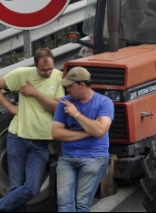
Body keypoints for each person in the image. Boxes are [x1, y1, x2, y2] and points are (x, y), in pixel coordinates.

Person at [0, 49, 63, 213]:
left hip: (41, 142)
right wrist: (10, 106)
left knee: (31, 189)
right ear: (35, 66)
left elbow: (57, 107)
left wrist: (35, 93)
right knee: (15, 187)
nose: (47, 73)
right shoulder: (22, 74)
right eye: (43, 70)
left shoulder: (58, 76)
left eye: (50, 69)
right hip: (17, 138)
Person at [52, 67, 114, 212]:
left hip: (94, 158)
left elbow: (99, 130)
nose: (67, 89)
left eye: (70, 86)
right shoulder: (64, 102)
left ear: (82, 85)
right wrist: (87, 132)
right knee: (65, 205)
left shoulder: (104, 102)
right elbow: (56, 133)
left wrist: (76, 115)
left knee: (81, 205)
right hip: (67, 157)